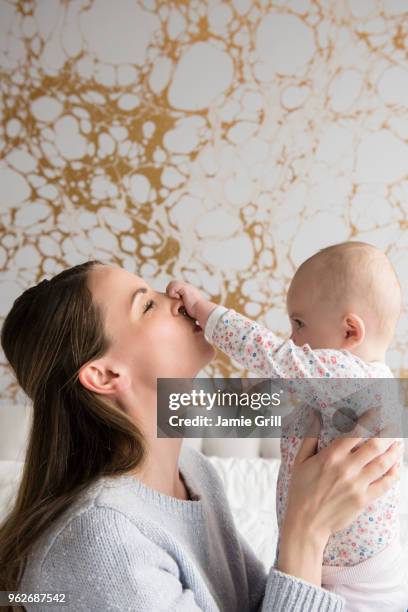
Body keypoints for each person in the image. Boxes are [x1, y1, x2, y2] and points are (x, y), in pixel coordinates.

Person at [0, 260, 402, 612]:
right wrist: (306, 530)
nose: (176, 298)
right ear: (105, 375)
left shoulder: (193, 473)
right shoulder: (100, 542)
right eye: (147, 304)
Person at [167, 241, 407, 610]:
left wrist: (206, 312)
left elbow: (270, 355)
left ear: (349, 332)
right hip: (348, 567)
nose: (292, 338)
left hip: (355, 584)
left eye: (299, 323)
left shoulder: (348, 374)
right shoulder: (351, 385)